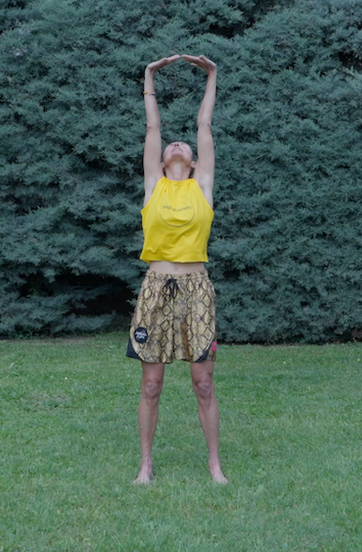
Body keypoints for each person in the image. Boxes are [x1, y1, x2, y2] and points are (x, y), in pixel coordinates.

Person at [126, 54, 226, 484]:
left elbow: (205, 127)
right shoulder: (154, 186)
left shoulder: (203, 186)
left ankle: (214, 465)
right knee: (151, 386)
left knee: (203, 383)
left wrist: (212, 76)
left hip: (197, 289)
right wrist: (148, 77)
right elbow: (153, 128)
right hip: (156, 287)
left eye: (184, 145)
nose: (179, 144)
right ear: (165, 160)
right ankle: (145, 466)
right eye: (173, 145)